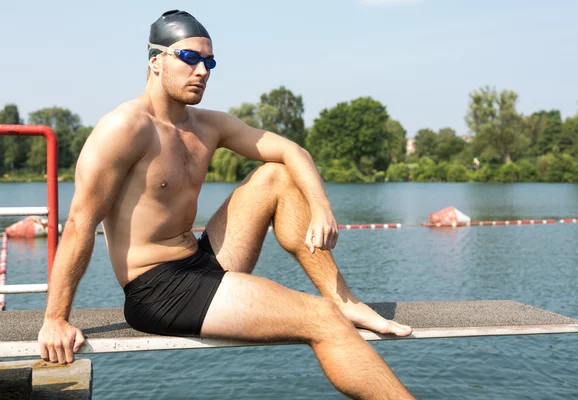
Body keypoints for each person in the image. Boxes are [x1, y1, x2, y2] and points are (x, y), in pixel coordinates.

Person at [37, 10, 415, 400]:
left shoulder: (207, 125)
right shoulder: (125, 128)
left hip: (202, 261)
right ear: (155, 61)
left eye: (209, 61)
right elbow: (80, 224)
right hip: (159, 288)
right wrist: (54, 319)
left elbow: (292, 150)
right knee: (321, 320)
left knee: (276, 174)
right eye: (189, 58)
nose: (202, 70)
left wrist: (321, 207)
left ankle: (344, 300)